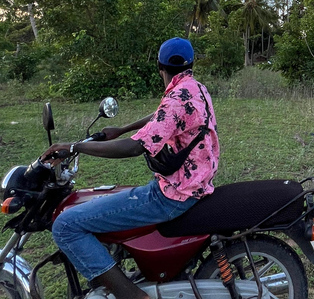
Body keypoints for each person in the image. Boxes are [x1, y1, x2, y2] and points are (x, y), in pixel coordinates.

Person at [42, 37, 220, 299]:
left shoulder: (176, 98)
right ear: (191, 63)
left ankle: (132, 296)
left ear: (160, 66)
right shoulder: (195, 89)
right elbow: (162, 115)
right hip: (196, 184)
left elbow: (136, 147)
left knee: (65, 224)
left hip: (173, 196)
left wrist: (75, 146)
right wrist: (122, 128)